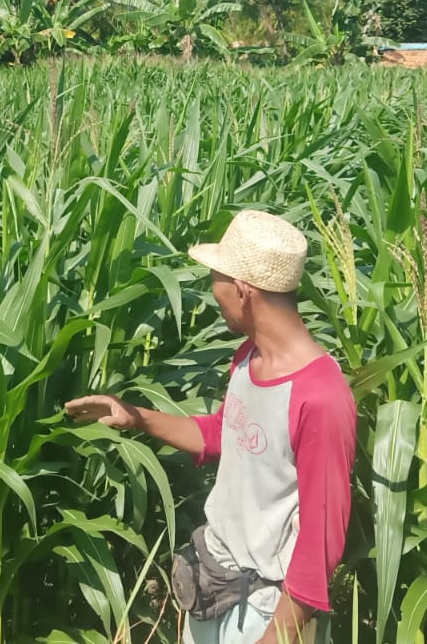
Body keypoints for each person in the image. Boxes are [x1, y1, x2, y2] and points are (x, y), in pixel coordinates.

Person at [66, 210, 357, 644]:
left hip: (264, 613)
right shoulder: (249, 358)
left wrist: (274, 637)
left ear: (242, 290)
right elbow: (223, 434)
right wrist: (135, 416)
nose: (212, 290)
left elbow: (322, 539)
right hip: (213, 588)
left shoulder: (321, 396)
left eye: (216, 278)